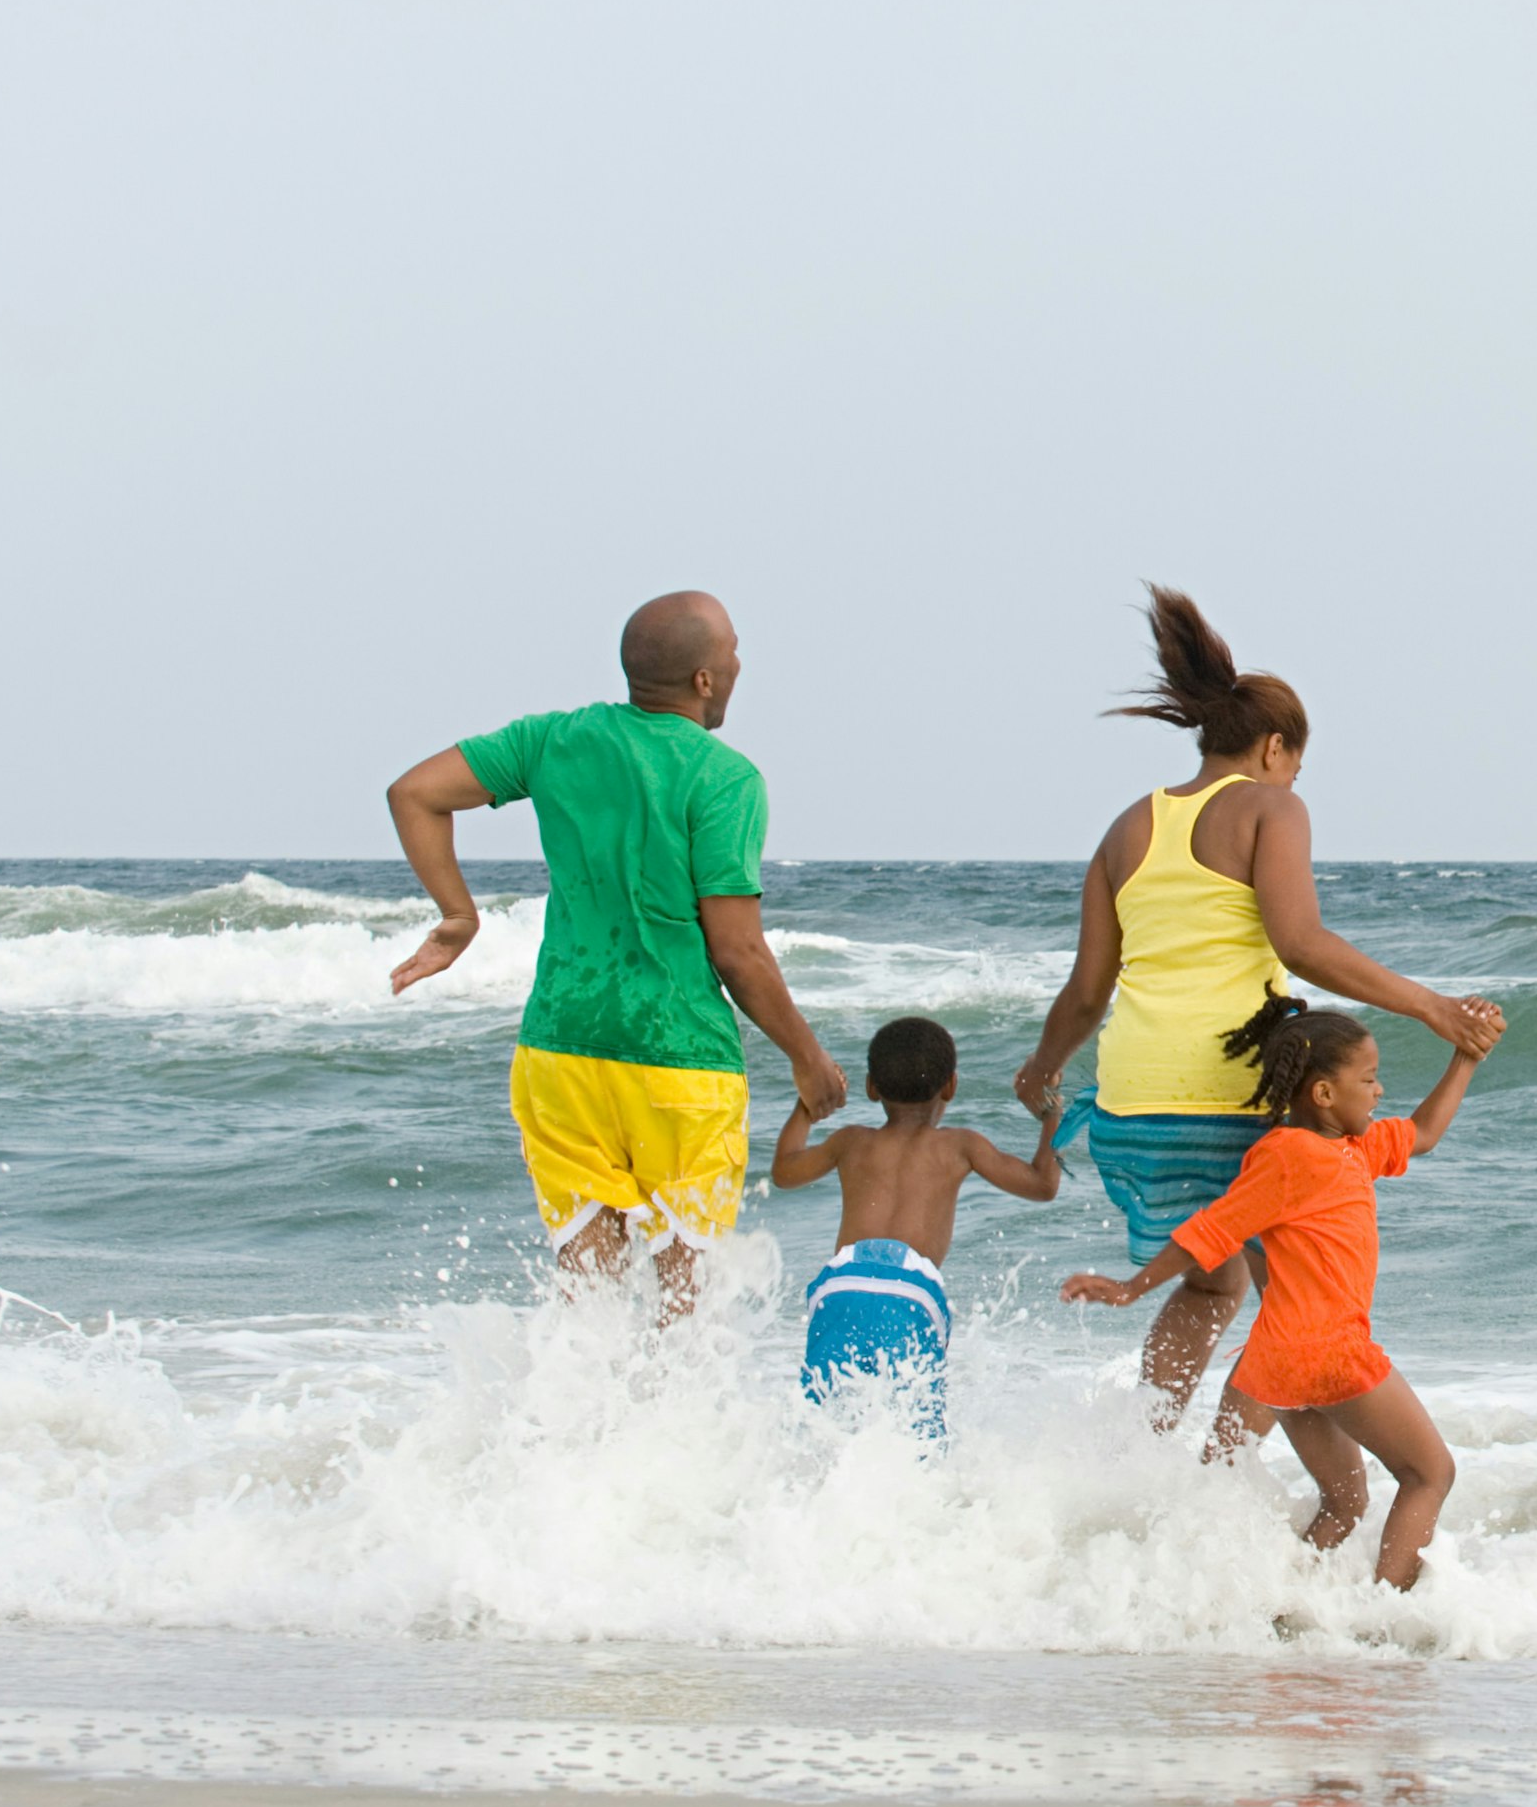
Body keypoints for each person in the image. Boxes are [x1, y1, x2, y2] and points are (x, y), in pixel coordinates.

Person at [1011, 585, 1502, 1417]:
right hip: (1233, 1099)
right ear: (1276, 747)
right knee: (1295, 1307)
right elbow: (1302, 942)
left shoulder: (1126, 828)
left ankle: (1151, 1455)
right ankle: (1272, 1487)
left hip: (1131, 1112)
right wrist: (1431, 1007)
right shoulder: (1273, 807)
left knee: (1212, 1287)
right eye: (1298, 763)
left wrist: (1041, 1071)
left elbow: (1088, 990)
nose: (1296, 778)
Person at [382, 590, 849, 1318]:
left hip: (561, 1051)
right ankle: (669, 1429)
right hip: (680, 1061)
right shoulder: (725, 778)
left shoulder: (551, 740)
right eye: (731, 654)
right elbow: (737, 952)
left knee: (586, 1287)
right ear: (704, 679)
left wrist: (456, 915)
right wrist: (807, 1057)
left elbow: (414, 792)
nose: (736, 666)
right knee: (684, 1298)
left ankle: (580, 1424)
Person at [1062, 993, 1488, 1588]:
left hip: (1282, 1365)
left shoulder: (1352, 1150)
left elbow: (1422, 1134)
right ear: (1322, 1094)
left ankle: (1285, 1615)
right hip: (1330, 1353)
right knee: (1430, 1474)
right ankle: (1383, 1621)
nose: (1379, 1090)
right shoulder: (1287, 1157)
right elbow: (1212, 1230)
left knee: (1345, 1503)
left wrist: (1465, 1058)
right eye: (1368, 1079)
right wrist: (1133, 1288)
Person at [772, 1013, 1063, 1434]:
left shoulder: (850, 1140)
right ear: (951, 1085)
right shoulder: (961, 1146)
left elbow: (783, 1170)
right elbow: (1042, 1184)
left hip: (839, 1288)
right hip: (910, 1293)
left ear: (872, 1088)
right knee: (916, 1437)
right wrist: (1050, 1107)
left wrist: (807, 1106)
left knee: (823, 1425)